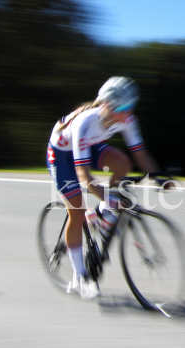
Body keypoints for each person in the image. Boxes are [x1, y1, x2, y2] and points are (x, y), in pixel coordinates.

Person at [46, 76, 167, 300]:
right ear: (107, 105)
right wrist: (109, 199)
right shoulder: (86, 121)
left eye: (132, 106)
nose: (128, 112)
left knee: (123, 164)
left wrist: (158, 177)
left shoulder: (126, 119)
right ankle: (80, 276)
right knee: (77, 211)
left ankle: (102, 213)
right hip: (60, 156)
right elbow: (84, 175)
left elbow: (139, 153)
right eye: (123, 107)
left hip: (86, 147)